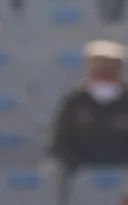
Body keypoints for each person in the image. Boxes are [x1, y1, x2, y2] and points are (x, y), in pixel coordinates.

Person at [49, 40, 128, 173]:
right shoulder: (75, 103)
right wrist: (82, 168)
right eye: (99, 72)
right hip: (81, 178)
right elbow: (60, 144)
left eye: (109, 72)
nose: (104, 77)